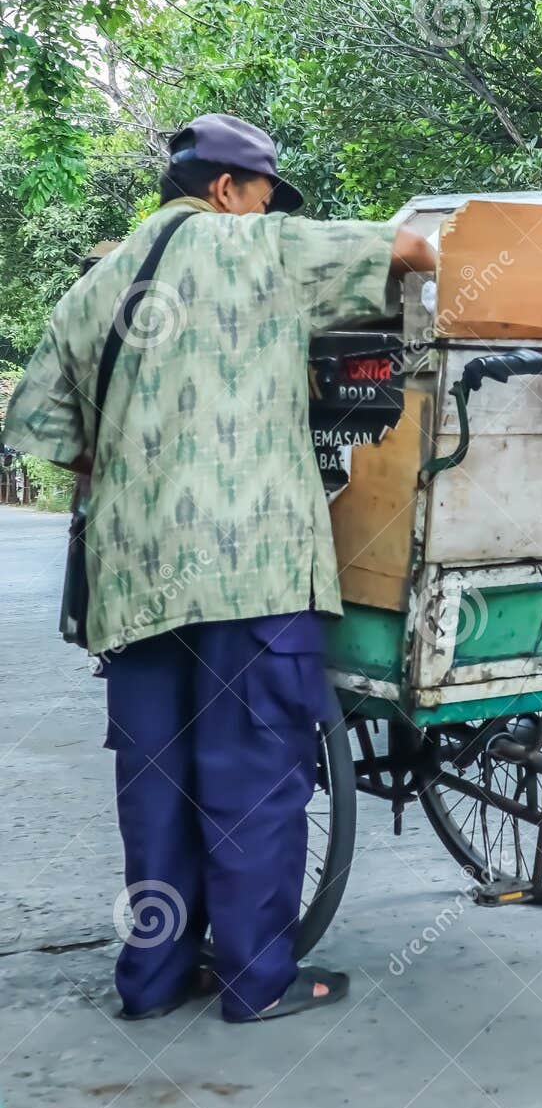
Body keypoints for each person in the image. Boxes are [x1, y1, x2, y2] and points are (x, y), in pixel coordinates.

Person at [3, 114, 435, 1024]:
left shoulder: (92, 291)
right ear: (228, 190)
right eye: (264, 194)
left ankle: (154, 983)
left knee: (154, 783)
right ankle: (254, 980)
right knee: (253, 769)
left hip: (134, 581)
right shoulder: (264, 250)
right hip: (253, 570)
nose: (265, 208)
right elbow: (409, 250)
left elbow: (49, 437)